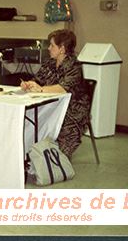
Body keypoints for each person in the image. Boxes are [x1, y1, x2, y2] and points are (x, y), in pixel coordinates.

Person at [20, 29, 90, 160]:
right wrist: (29, 84)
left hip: (73, 110)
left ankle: (42, 155)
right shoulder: (50, 63)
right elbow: (38, 80)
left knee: (58, 157)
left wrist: (40, 89)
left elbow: (63, 88)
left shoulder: (74, 66)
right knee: (28, 119)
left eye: (52, 45)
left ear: (62, 49)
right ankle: (29, 153)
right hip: (51, 104)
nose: (49, 48)